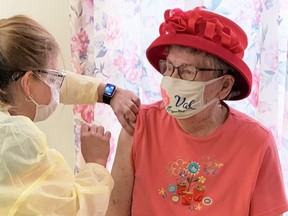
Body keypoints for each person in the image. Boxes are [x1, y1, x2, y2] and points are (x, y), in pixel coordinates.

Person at [107, 7, 288, 216]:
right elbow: (115, 211)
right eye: (169, 67)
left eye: (187, 71)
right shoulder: (138, 125)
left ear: (224, 86)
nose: (173, 79)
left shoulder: (257, 142)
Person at [0, 14, 139, 215]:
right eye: (53, 78)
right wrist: (95, 163)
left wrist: (111, 93)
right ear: (28, 82)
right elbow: (73, 210)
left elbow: (61, 83)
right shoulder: (16, 140)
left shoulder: (10, 87)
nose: (58, 86)